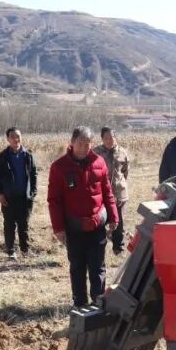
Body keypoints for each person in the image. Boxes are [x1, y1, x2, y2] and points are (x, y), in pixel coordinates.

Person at [47, 126, 119, 308]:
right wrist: (58, 228)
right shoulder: (59, 167)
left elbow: (107, 192)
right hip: (75, 227)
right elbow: (54, 200)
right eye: (80, 143)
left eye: (88, 144)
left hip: (97, 225)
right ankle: (79, 303)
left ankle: (98, 303)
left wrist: (113, 216)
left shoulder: (99, 162)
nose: (84, 148)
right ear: (72, 142)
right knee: (77, 267)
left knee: (98, 267)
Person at [0, 127, 37, 260]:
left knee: (24, 225)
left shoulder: (28, 155)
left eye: (18, 136)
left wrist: (33, 192)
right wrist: (0, 194)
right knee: (9, 225)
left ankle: (25, 250)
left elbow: (33, 174)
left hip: (25, 197)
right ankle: (11, 251)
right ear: (8, 139)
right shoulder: (3, 156)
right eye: (12, 137)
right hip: (8, 197)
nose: (16, 139)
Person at [94, 126, 131, 255]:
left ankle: (118, 248)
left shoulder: (122, 152)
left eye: (112, 137)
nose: (109, 140)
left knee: (119, 222)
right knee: (100, 220)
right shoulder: (96, 153)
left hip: (119, 192)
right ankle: (99, 247)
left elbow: (125, 171)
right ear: (102, 139)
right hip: (101, 193)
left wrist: (119, 182)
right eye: (106, 138)